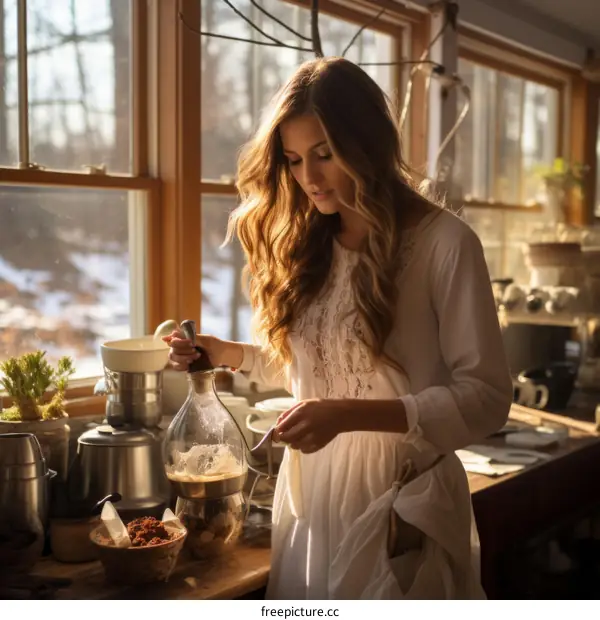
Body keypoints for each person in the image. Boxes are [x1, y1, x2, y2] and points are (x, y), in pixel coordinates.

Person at [165, 56, 513, 600]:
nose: (308, 177)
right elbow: (323, 366)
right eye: (294, 159)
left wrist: (350, 416)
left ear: (367, 143)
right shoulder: (311, 242)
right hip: (311, 496)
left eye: (325, 154)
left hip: (398, 499)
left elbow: (488, 397)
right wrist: (227, 353)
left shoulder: (444, 243)